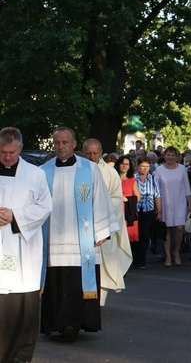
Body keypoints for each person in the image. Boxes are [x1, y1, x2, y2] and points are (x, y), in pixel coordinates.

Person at [40, 127, 118, 340]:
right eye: (57, 143)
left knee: (76, 282)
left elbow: (100, 199)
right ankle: (57, 324)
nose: (61, 146)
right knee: (56, 283)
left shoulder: (89, 169)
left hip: (81, 240)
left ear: (74, 144)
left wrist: (102, 230)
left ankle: (75, 324)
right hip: (52, 240)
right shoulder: (44, 171)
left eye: (65, 142)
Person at [0, 127, 53, 361]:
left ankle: (20, 355)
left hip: (22, 246)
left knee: (22, 303)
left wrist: (15, 216)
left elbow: (45, 207)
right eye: (3, 152)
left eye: (12, 152)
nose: (7, 157)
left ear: (20, 149)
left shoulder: (35, 174)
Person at [81, 139, 131, 306]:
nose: (91, 156)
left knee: (103, 264)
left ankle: (100, 301)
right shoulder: (77, 169)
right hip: (81, 226)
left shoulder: (110, 173)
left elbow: (116, 199)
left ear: (101, 152)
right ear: (82, 152)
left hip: (102, 226)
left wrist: (99, 212)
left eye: (95, 153)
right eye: (88, 153)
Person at [154, 146, 191, 267]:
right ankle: (168, 255)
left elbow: (187, 187)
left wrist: (189, 204)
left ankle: (176, 251)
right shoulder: (159, 170)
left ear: (177, 157)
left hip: (180, 202)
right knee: (167, 229)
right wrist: (158, 207)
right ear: (164, 156)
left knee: (179, 228)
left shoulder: (182, 169)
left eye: (173, 155)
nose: (170, 157)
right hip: (165, 202)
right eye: (168, 155)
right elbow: (156, 189)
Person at [134, 157, 162, 268]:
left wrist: (159, 212)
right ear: (137, 167)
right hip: (135, 210)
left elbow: (157, 196)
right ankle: (134, 259)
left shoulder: (153, 178)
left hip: (148, 210)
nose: (145, 169)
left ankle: (142, 260)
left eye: (147, 166)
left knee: (145, 236)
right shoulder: (133, 178)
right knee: (135, 235)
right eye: (142, 166)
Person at [115, 156, 141, 252]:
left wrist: (126, 199)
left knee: (129, 239)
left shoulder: (132, 180)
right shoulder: (114, 179)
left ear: (129, 166)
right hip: (116, 212)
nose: (124, 166)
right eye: (122, 164)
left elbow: (138, 197)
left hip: (128, 212)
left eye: (127, 164)